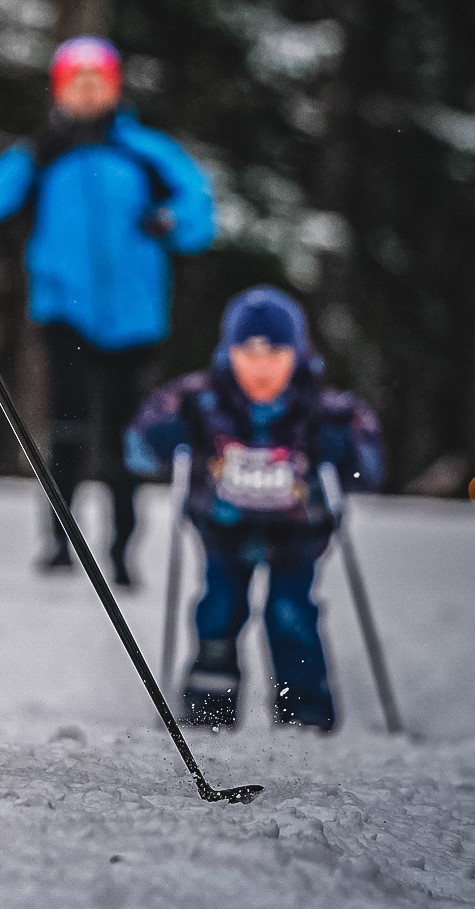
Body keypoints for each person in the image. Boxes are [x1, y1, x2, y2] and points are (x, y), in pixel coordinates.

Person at [0, 36, 213, 584]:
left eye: (97, 79)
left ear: (114, 86)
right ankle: (58, 543)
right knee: (68, 432)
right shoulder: (44, 152)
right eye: (76, 80)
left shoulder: (145, 152)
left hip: (135, 319)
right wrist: (36, 152)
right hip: (64, 313)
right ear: (60, 88)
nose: (88, 90)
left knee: (126, 439)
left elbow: (200, 215)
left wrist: (169, 220)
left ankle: (123, 551)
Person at [125, 286, 384, 731]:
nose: (261, 368)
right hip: (223, 533)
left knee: (291, 613)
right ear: (229, 354)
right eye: (248, 354)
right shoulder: (200, 400)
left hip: (296, 537)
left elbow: (371, 466)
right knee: (218, 609)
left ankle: (304, 706)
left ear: (298, 355)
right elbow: (136, 448)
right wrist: (162, 437)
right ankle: (210, 702)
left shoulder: (324, 409)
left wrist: (346, 454)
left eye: (275, 355)